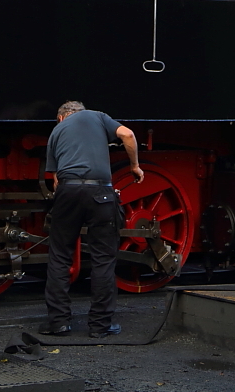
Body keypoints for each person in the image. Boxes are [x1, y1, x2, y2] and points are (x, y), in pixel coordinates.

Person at [40, 100, 144, 339]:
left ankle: (58, 323)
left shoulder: (56, 132)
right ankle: (100, 326)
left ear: (61, 118)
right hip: (101, 193)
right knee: (103, 259)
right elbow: (127, 134)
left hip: (67, 191)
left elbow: (56, 181)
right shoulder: (97, 116)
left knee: (59, 257)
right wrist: (135, 166)